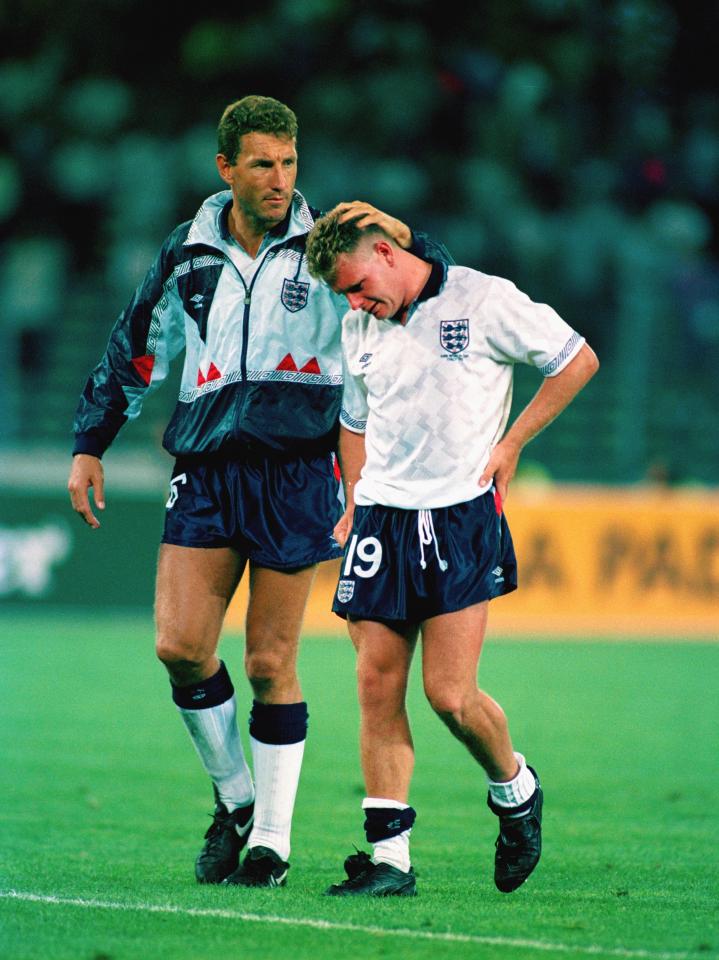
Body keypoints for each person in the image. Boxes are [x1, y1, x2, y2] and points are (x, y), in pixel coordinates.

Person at [67, 95, 450, 889]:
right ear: (226, 169)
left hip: (298, 470)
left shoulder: (325, 245)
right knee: (178, 647)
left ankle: (269, 845)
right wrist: (89, 443)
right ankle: (236, 800)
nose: (279, 180)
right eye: (262, 165)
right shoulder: (189, 252)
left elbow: (416, 285)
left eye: (288, 164)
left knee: (271, 662)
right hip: (206, 468)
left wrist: (409, 239)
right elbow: (137, 345)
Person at [305, 208, 599, 897]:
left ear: (384, 251)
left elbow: (574, 360)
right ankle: (389, 860)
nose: (354, 303)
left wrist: (512, 442)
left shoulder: (482, 298)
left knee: (449, 695)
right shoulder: (359, 326)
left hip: (459, 515)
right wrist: (353, 499)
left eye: (357, 286)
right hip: (382, 515)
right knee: (375, 682)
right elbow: (354, 421)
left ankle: (514, 790)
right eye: (344, 296)